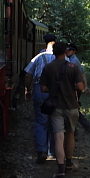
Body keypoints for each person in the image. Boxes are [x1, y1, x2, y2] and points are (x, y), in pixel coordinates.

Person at [39, 41, 86, 178]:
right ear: (65, 52)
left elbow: (43, 88)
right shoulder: (73, 67)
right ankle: (69, 163)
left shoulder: (48, 67)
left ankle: (60, 169)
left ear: (53, 52)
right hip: (71, 106)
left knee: (58, 137)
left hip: (56, 106)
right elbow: (80, 87)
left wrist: (54, 88)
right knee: (70, 134)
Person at [23, 34, 58, 164]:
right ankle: (53, 151)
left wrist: (28, 89)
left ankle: (41, 151)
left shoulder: (38, 57)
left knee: (40, 120)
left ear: (45, 45)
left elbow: (27, 75)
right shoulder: (62, 58)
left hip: (40, 89)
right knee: (55, 120)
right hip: (56, 91)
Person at [65, 43, 90, 135]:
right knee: (72, 107)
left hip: (75, 87)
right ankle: (79, 128)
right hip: (74, 87)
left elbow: (81, 74)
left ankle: (80, 127)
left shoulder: (73, 61)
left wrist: (85, 86)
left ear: (74, 51)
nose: (67, 51)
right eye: (67, 49)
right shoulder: (70, 59)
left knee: (72, 107)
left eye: (70, 50)